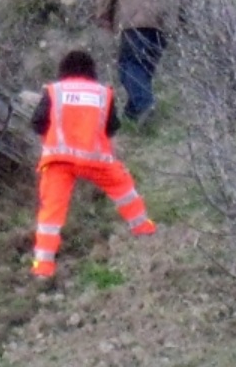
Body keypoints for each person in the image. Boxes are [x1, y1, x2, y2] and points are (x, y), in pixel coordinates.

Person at [30, 49, 157, 279]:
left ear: (63, 70)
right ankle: (143, 229)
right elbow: (111, 129)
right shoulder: (103, 93)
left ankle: (43, 267)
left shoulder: (54, 91)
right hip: (96, 158)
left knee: (51, 213)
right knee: (124, 188)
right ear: (91, 71)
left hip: (59, 160)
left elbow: (37, 123)